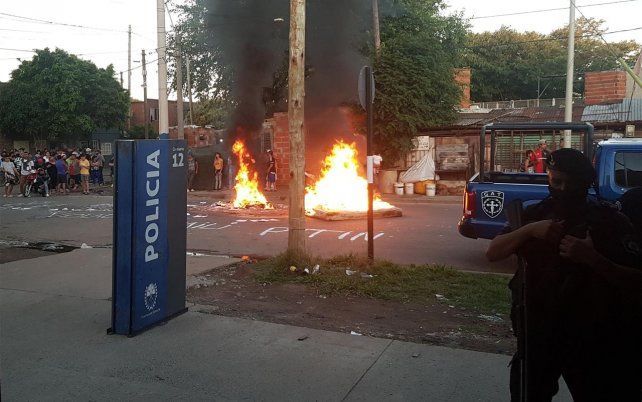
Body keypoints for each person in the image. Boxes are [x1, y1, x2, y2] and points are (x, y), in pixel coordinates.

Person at [486, 148, 641, 401]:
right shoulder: (534, 215)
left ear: (585, 184)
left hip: (591, 338)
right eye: (556, 181)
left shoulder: (609, 221)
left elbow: (636, 280)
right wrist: (530, 231)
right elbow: (493, 252)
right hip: (538, 333)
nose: (562, 189)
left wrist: (593, 259)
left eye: (571, 184)